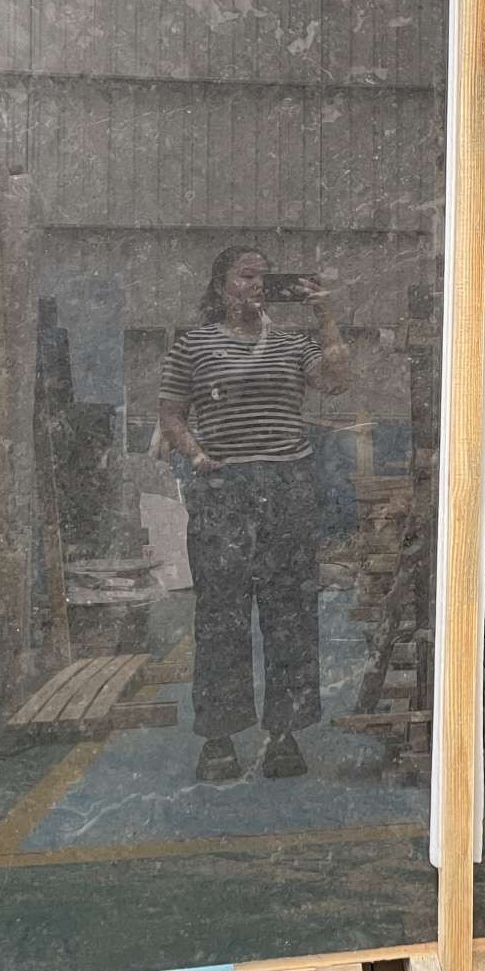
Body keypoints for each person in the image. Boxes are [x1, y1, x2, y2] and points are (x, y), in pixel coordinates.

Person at [158, 247, 353, 783]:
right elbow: (171, 413)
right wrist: (197, 456)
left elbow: (337, 381)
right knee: (220, 614)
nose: (258, 285)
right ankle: (219, 738)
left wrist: (325, 314)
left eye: (266, 276)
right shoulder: (193, 344)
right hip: (223, 487)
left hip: (287, 486)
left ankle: (284, 735)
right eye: (246, 275)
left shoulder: (292, 343)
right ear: (221, 284)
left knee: (290, 611)